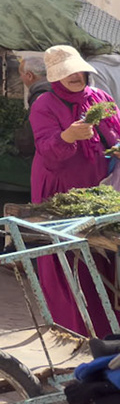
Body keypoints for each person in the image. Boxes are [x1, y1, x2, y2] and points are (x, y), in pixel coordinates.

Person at [30, 45, 120, 333]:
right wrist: (67, 136)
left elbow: (116, 131)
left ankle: (108, 326)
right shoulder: (44, 104)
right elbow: (46, 150)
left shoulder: (101, 98)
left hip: (99, 190)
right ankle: (75, 326)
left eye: (79, 71)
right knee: (68, 257)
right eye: (68, 72)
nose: (76, 76)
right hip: (60, 190)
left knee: (103, 254)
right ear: (56, 77)